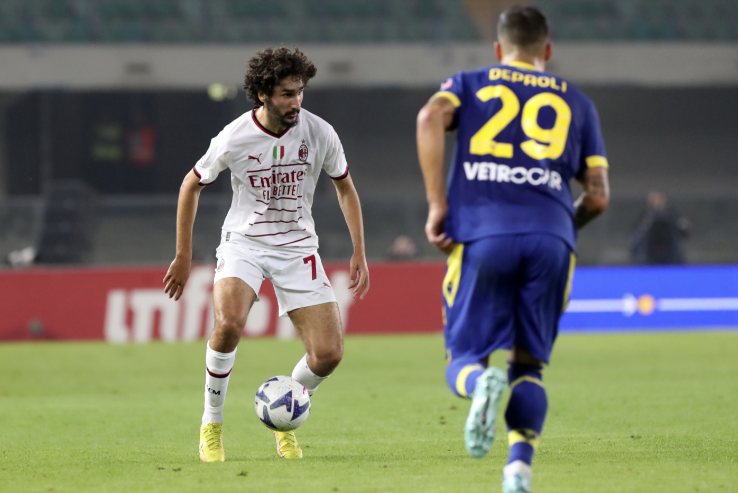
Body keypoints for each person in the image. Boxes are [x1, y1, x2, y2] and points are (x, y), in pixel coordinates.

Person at [416, 6, 609, 493]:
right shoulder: (579, 103)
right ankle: (518, 469)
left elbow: (430, 117)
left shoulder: (469, 83)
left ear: (499, 48)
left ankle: (479, 384)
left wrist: (437, 205)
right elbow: (598, 195)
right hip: (551, 240)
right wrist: (559, 227)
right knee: (528, 366)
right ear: (548, 49)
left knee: (464, 356)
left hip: (485, 234)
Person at [163, 47, 370, 463]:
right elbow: (191, 184)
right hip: (245, 243)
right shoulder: (234, 137)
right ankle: (211, 424)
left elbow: (344, 187)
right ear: (263, 94)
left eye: (300, 92)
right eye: (287, 94)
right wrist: (183, 255)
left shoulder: (319, 133)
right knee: (228, 324)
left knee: (328, 354)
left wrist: (359, 251)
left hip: (297, 248)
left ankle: (285, 415)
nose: (296, 102)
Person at [630, 191, 690, 264]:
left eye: (658, 200)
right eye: (654, 200)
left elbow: (683, 232)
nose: (657, 202)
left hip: (670, 252)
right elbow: (637, 233)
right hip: (649, 252)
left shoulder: (671, 214)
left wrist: (683, 226)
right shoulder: (645, 215)